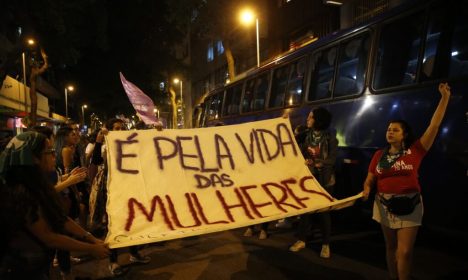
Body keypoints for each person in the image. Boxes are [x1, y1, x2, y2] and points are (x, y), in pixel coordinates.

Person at [362, 83, 451, 280]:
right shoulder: (378, 155)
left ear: (404, 135)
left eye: (395, 130)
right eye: (388, 129)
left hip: (410, 204)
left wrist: (444, 98)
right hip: (384, 205)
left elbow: (434, 125)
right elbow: (370, 178)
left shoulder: (415, 151)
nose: (390, 132)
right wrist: (367, 189)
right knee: (390, 248)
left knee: (404, 252)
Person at [0, 131, 109, 279]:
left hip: (38, 265)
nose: (54, 155)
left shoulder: (38, 184)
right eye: (49, 151)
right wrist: (91, 248)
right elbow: (48, 237)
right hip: (21, 270)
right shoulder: (20, 191)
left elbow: (60, 217)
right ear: (32, 158)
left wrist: (90, 237)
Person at [89, 118, 150, 276]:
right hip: (112, 191)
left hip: (129, 188)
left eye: (122, 128)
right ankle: (113, 261)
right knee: (114, 225)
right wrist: (98, 141)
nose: (120, 131)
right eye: (116, 128)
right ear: (108, 130)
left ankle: (134, 253)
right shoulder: (104, 146)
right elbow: (95, 161)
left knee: (132, 221)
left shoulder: (130, 143)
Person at [289, 107, 337, 258]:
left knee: (323, 213)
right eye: (308, 117)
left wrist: (318, 163)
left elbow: (332, 159)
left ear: (319, 120)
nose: (307, 119)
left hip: (325, 180)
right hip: (308, 179)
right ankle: (301, 240)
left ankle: (326, 244)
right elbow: (289, 145)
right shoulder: (304, 136)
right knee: (305, 212)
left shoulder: (330, 139)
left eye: (311, 117)